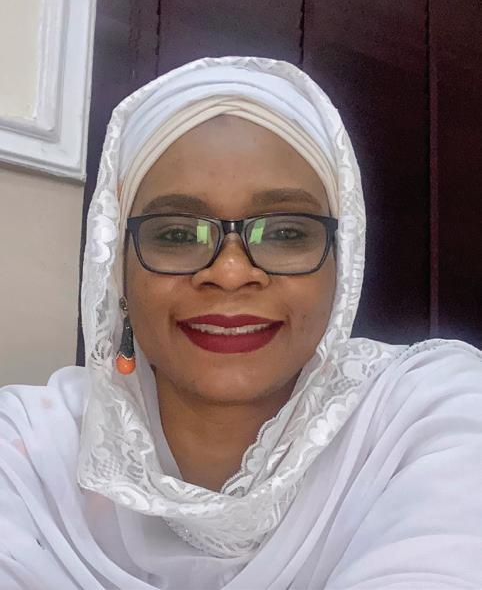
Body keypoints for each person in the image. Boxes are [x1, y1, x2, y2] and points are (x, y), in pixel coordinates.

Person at [0, 56, 481, 590]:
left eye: (285, 233)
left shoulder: (430, 414)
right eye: (178, 234)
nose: (230, 274)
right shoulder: (27, 449)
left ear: (342, 265)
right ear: (118, 272)